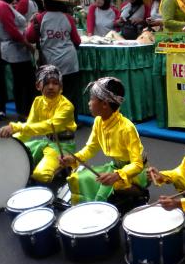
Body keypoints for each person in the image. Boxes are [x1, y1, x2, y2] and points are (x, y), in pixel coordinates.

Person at [59, 77, 148, 205]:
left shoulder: (127, 128)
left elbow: (138, 165)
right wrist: (74, 158)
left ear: (105, 104)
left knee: (105, 190)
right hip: (116, 167)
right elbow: (90, 148)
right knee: (81, 178)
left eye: (92, 99)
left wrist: (117, 175)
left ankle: (140, 192)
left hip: (137, 172)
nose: (89, 103)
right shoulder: (98, 122)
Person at [0, 65, 77, 184]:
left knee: (41, 174)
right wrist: (13, 142)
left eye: (55, 83)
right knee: (15, 155)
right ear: (38, 85)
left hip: (62, 147)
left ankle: (67, 165)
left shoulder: (67, 106)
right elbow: (30, 127)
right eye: (46, 83)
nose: (51, 87)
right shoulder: (37, 101)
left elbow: (49, 126)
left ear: (61, 86)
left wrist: (16, 127)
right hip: (45, 142)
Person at [25, 0, 81, 121]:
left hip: (51, 63)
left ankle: (54, 121)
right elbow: (77, 40)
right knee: (70, 94)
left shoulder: (39, 18)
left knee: (52, 93)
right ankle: (71, 121)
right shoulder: (68, 18)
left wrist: (30, 23)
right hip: (69, 61)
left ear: (45, 3)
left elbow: (30, 38)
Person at [0, 0, 36, 122]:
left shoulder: (2, 5)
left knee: (21, 81)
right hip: (15, 49)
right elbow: (12, 31)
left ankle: (23, 111)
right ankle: (24, 111)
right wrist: (28, 45)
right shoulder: (2, 6)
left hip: (16, 48)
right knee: (25, 82)